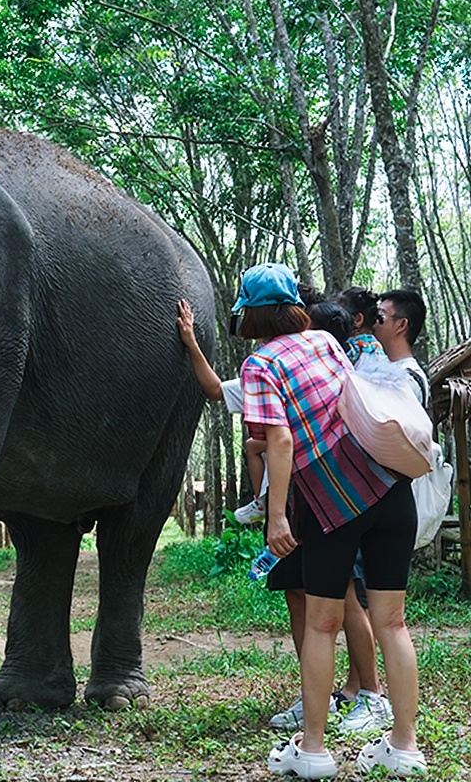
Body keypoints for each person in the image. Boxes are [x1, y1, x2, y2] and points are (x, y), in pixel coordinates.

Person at [229, 263, 424, 778]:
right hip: (388, 488)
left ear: (250, 315)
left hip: (332, 504)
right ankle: (404, 747)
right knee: (393, 622)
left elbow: (280, 440)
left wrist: (275, 519)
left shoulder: (260, 365)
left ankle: (312, 750)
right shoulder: (326, 343)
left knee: (322, 623)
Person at [174, 300, 267, 525]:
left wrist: (191, 342)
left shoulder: (263, 369)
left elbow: (215, 390)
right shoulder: (321, 349)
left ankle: (263, 503)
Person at [375, 289, 429, 406]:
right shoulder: (378, 365)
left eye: (380, 315)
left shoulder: (408, 379)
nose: (374, 321)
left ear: (401, 325)